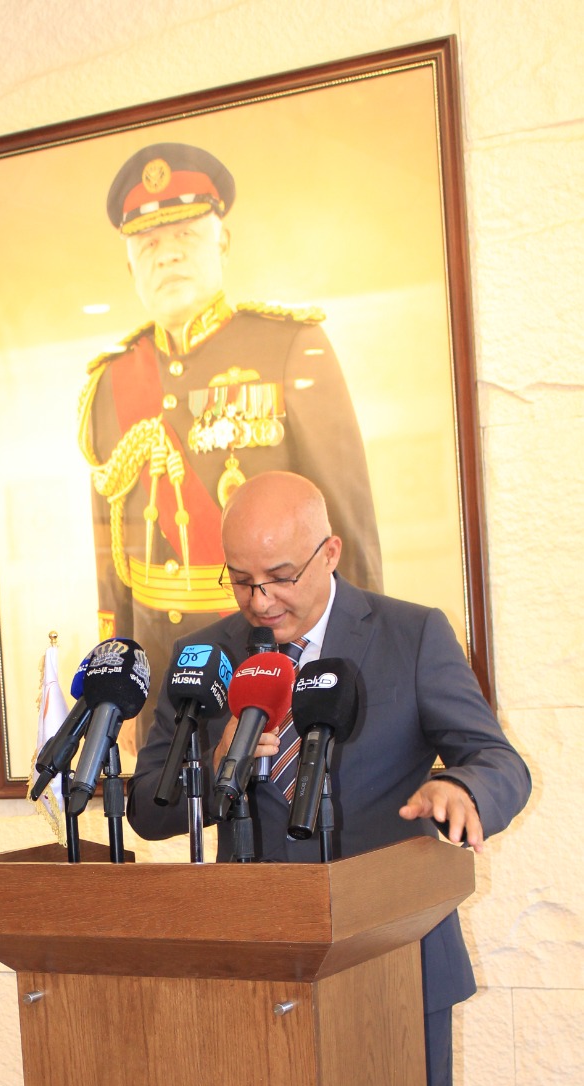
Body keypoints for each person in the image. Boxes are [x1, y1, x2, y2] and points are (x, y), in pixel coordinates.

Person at [128, 471, 531, 1086]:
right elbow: (148, 809)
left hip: (391, 969)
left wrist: (458, 786)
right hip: (248, 976)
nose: (258, 600)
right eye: (240, 579)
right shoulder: (206, 656)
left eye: (278, 577)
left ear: (329, 553)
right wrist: (216, 755)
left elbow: (498, 760)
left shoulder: (410, 636)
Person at [80, 141, 383, 747]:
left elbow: (345, 525)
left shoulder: (288, 347)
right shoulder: (112, 380)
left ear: (222, 241)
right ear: (130, 266)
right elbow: (113, 554)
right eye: (148, 243)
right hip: (164, 667)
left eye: (185, 235)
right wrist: (121, 684)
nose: (168, 254)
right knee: (169, 801)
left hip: (270, 653)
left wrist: (359, 663)